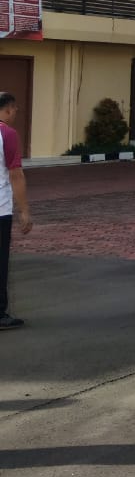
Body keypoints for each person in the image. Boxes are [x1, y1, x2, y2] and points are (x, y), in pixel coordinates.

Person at [0, 92, 33, 331]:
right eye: (15, 109)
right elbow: (16, 174)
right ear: (8, 109)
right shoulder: (8, 134)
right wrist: (24, 211)